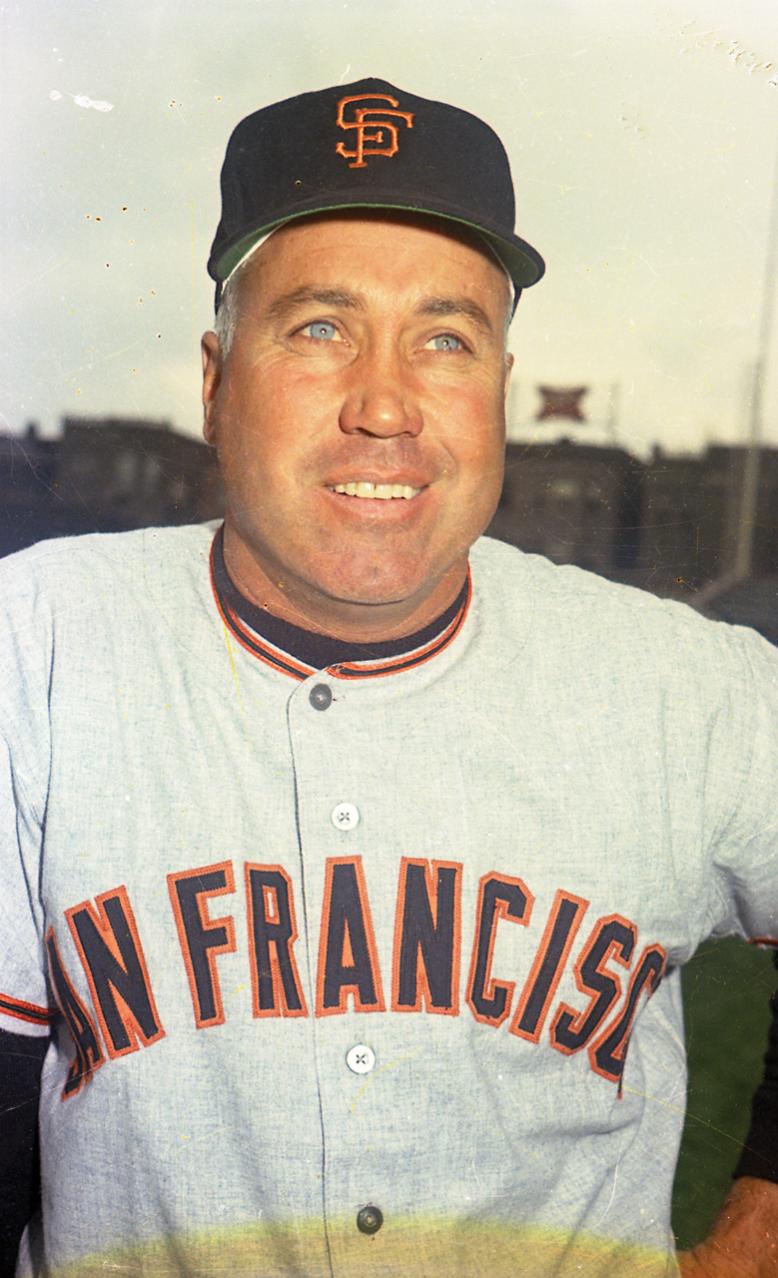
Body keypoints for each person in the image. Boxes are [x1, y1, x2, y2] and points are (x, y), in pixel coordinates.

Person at [1, 77, 777, 1278]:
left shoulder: (689, 684)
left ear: (500, 388)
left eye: (444, 338)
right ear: (214, 383)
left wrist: (756, 1238)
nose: (384, 405)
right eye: (320, 328)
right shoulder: (39, 643)